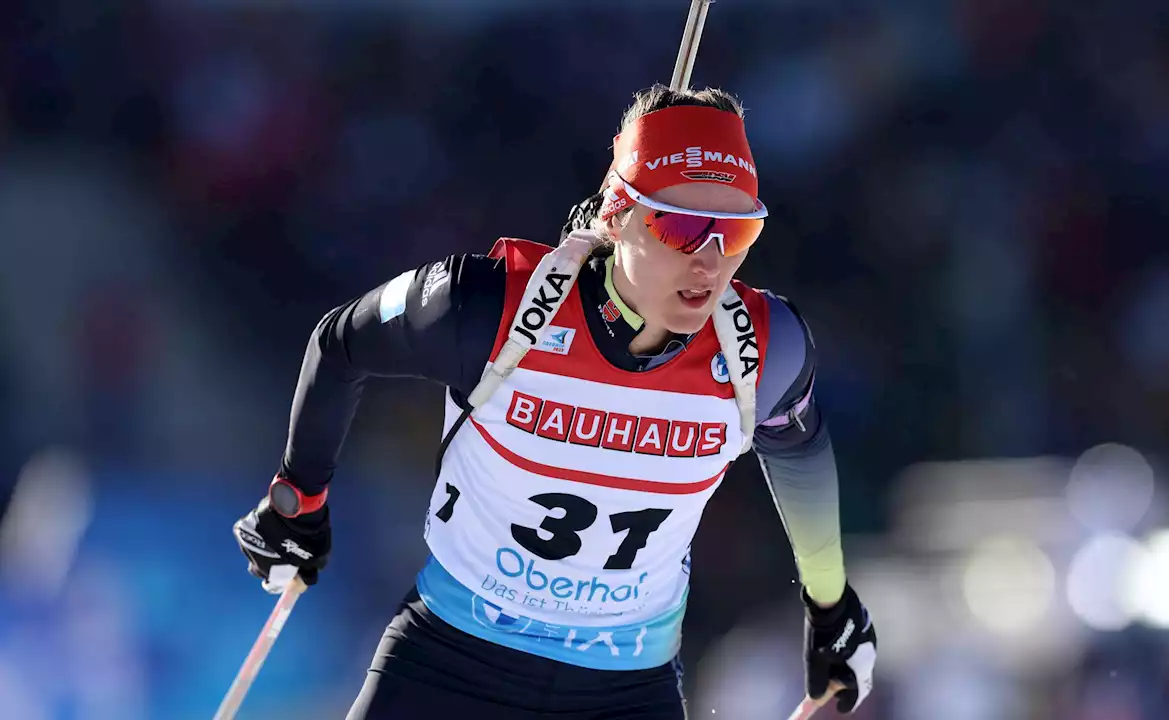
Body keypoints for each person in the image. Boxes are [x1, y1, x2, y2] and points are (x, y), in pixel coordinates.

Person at [233, 84, 878, 719]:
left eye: (734, 235)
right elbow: (342, 343)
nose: (708, 265)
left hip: (624, 689)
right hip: (453, 661)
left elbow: (799, 451)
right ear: (618, 212)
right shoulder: (485, 308)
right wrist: (298, 499)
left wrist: (830, 606)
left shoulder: (765, 349)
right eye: (682, 228)